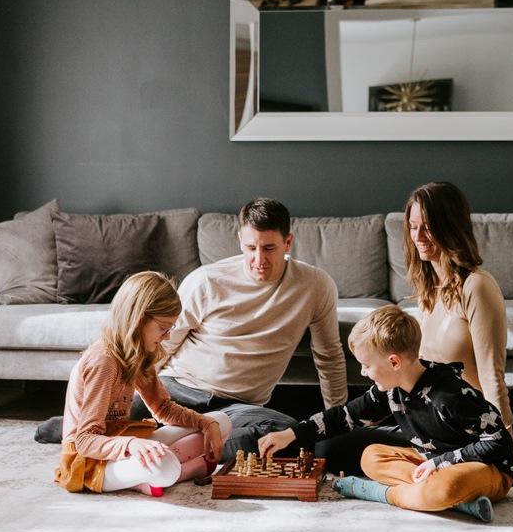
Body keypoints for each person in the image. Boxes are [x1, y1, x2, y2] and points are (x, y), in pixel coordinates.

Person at [127, 196, 349, 459]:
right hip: (176, 389)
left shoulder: (315, 285)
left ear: (288, 242)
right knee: (104, 416)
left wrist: (340, 424)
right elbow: (162, 344)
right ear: (240, 241)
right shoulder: (206, 281)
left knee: (286, 434)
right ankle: (183, 443)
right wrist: (140, 392)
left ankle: (178, 444)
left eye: (269, 248)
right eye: (251, 247)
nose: (259, 259)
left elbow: (329, 357)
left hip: (236, 408)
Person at [259, 305, 513, 521]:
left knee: (447, 486)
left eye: (367, 365)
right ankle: (454, 502)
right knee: (371, 456)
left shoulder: (450, 395)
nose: (363, 372)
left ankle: (377, 492)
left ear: (393, 362)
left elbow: (499, 440)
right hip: (434, 464)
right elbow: (344, 416)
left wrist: (439, 463)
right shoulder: (392, 390)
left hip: (485, 469)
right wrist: (290, 435)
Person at [403, 181, 513, 491]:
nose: (417, 237)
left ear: (450, 227)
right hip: (432, 429)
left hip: (470, 433)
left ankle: (475, 479)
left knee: (446, 487)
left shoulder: (477, 287)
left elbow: (491, 374)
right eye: (413, 227)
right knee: (355, 453)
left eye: (428, 227)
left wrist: (510, 461)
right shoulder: (428, 287)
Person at [54, 271, 231, 496]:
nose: (167, 336)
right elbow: (85, 441)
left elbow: (163, 409)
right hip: (89, 462)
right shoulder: (104, 362)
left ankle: (153, 474)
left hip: (123, 443)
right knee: (165, 466)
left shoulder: (139, 352)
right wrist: (132, 445)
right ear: (139, 318)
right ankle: (186, 467)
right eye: (163, 328)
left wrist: (205, 424)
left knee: (220, 421)